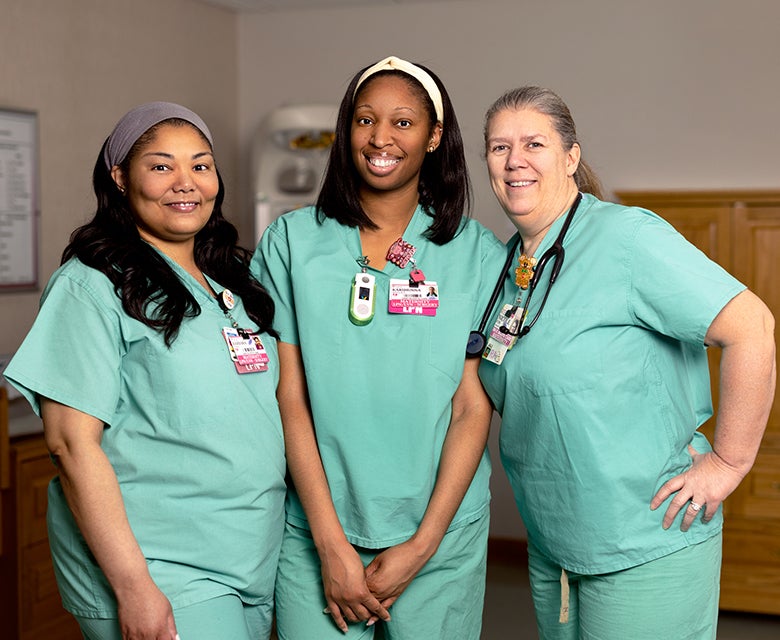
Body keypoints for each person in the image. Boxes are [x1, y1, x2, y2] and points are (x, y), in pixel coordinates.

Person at [476, 85, 776, 639]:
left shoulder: (627, 238)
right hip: (556, 544)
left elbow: (752, 328)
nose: (515, 160)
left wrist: (729, 463)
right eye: (498, 147)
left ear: (570, 158)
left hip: (647, 537)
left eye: (534, 143)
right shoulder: (510, 268)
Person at [3, 102, 286, 640]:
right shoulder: (92, 285)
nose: (186, 183)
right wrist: (134, 586)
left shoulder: (230, 283)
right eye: (161, 166)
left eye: (201, 166)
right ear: (119, 178)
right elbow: (71, 445)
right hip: (162, 565)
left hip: (248, 554)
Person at [252, 55, 505, 639]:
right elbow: (291, 400)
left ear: (435, 137)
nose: (381, 138)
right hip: (318, 527)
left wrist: (423, 544)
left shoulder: (476, 252)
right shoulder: (291, 242)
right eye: (365, 120)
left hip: (439, 530)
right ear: (346, 131)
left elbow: (472, 406)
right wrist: (330, 546)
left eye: (403, 122)